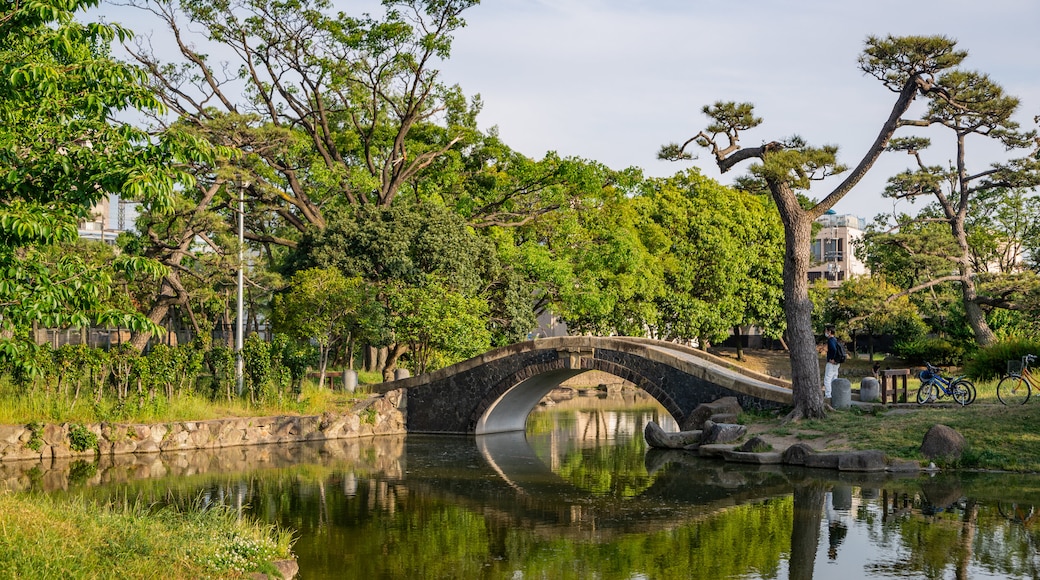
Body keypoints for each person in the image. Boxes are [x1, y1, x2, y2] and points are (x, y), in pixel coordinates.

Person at [823, 325, 840, 399]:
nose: (825, 332)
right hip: (837, 363)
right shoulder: (835, 340)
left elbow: (833, 349)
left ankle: (828, 395)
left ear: (829, 332)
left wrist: (832, 358)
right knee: (834, 378)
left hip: (831, 363)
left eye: (826, 331)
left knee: (827, 379)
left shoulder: (830, 340)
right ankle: (835, 394)